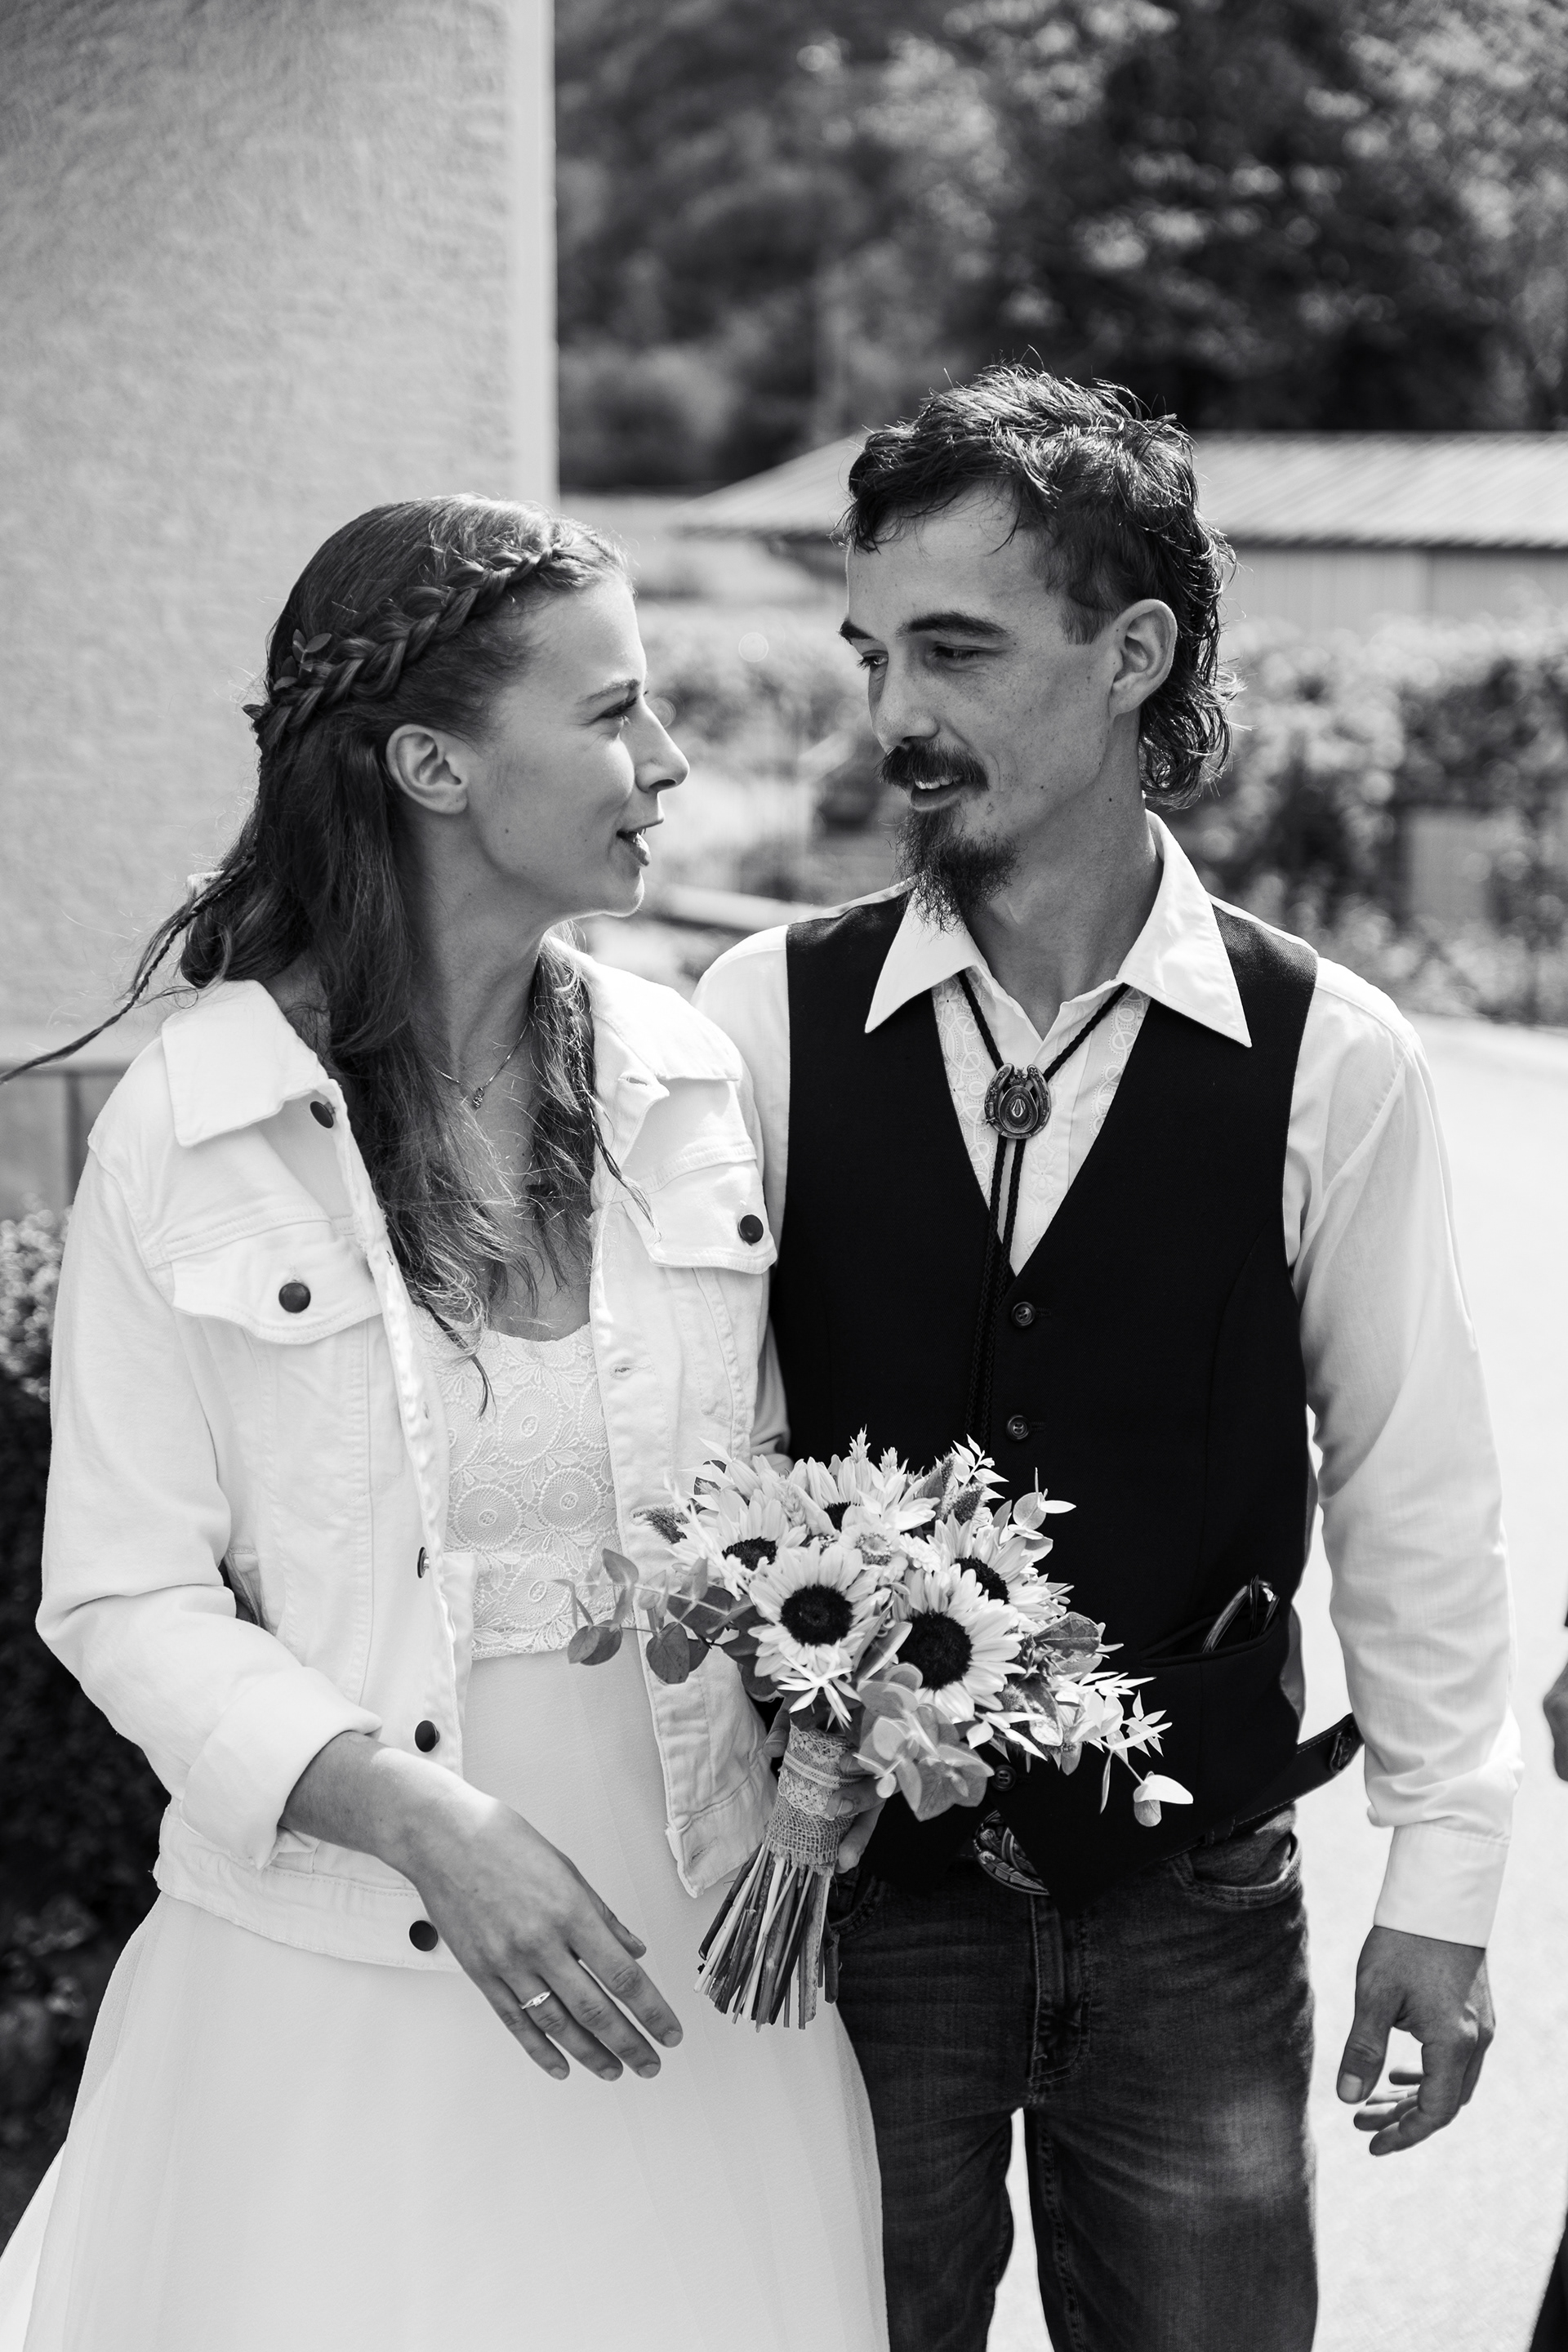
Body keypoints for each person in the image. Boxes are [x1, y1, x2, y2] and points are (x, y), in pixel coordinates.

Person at [0, 498, 884, 2352]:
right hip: (333, 1974)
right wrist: (422, 1825)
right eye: (616, 712)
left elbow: (765, 1522)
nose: (668, 762)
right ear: (433, 764)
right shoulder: (194, 1123)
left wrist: (862, 1705)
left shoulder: (687, 1078)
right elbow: (123, 1596)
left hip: (698, 1972)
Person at [695, 367, 1519, 2352]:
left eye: (957, 651)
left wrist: (1445, 1876)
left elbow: (1412, 1476)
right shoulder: (758, 1018)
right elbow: (692, 1447)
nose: (895, 715)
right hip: (852, 1904)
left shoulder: (1333, 1054)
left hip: (1191, 1908)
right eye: (873, 655)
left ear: (1134, 654)